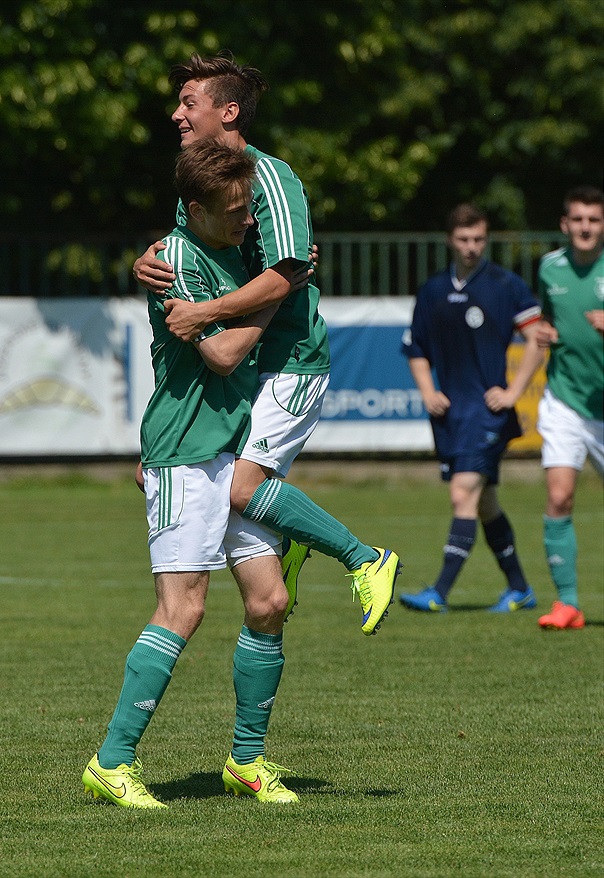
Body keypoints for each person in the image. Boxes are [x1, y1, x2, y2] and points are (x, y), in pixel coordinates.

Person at [133, 52, 401, 636]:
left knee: (241, 484)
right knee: (260, 586)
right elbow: (184, 251)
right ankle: (292, 541)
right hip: (241, 366)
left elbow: (288, 273)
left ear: (228, 112)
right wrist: (146, 264)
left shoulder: (271, 178)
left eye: (189, 103)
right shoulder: (200, 186)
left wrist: (206, 311)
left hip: (289, 361)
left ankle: (367, 558)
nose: (176, 114)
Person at [83, 139, 314, 809]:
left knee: (270, 602)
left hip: (230, 451)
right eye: (235, 212)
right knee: (183, 609)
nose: (248, 222)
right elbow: (220, 352)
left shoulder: (234, 249)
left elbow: (274, 265)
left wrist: (280, 273)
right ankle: (112, 760)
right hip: (184, 451)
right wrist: (282, 292)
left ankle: (247, 760)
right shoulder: (173, 258)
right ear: (194, 210)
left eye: (248, 209)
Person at [399, 203, 544, 613]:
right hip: (450, 413)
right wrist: (428, 390)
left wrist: (514, 392)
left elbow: (538, 338)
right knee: (484, 503)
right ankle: (520, 589)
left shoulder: (505, 285)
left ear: (487, 239)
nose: (471, 247)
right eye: (463, 239)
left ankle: (439, 593)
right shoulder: (432, 290)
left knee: (463, 491)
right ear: (450, 240)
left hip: (487, 412)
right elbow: (416, 349)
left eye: (479, 239)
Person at [535, 185, 604, 631]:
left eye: (594, 220)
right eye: (577, 219)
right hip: (564, 401)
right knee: (559, 497)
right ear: (565, 224)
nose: (585, 227)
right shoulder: (549, 268)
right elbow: (545, 317)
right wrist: (544, 332)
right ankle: (568, 604)